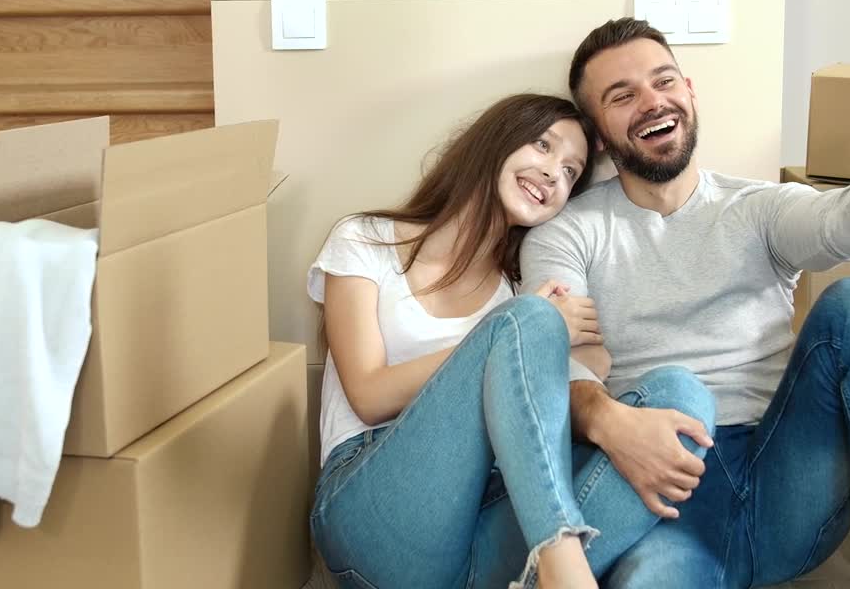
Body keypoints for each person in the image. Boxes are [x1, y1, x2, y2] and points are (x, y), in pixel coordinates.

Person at [513, 18, 850, 589]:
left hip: (787, 473)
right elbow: (551, 361)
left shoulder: (757, 207)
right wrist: (608, 422)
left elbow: (847, 221)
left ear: (689, 93)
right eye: (622, 96)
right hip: (668, 492)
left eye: (664, 81)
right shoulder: (567, 233)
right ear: (599, 135)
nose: (652, 102)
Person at [307, 93, 717, 589]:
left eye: (570, 172)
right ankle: (561, 560)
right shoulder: (366, 239)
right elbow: (368, 395)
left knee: (681, 396)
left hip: (483, 523)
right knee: (530, 319)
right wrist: (511, 334)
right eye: (543, 146)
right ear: (497, 140)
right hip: (372, 506)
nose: (553, 174)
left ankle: (546, 568)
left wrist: (575, 359)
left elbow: (555, 401)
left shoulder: (519, 288)